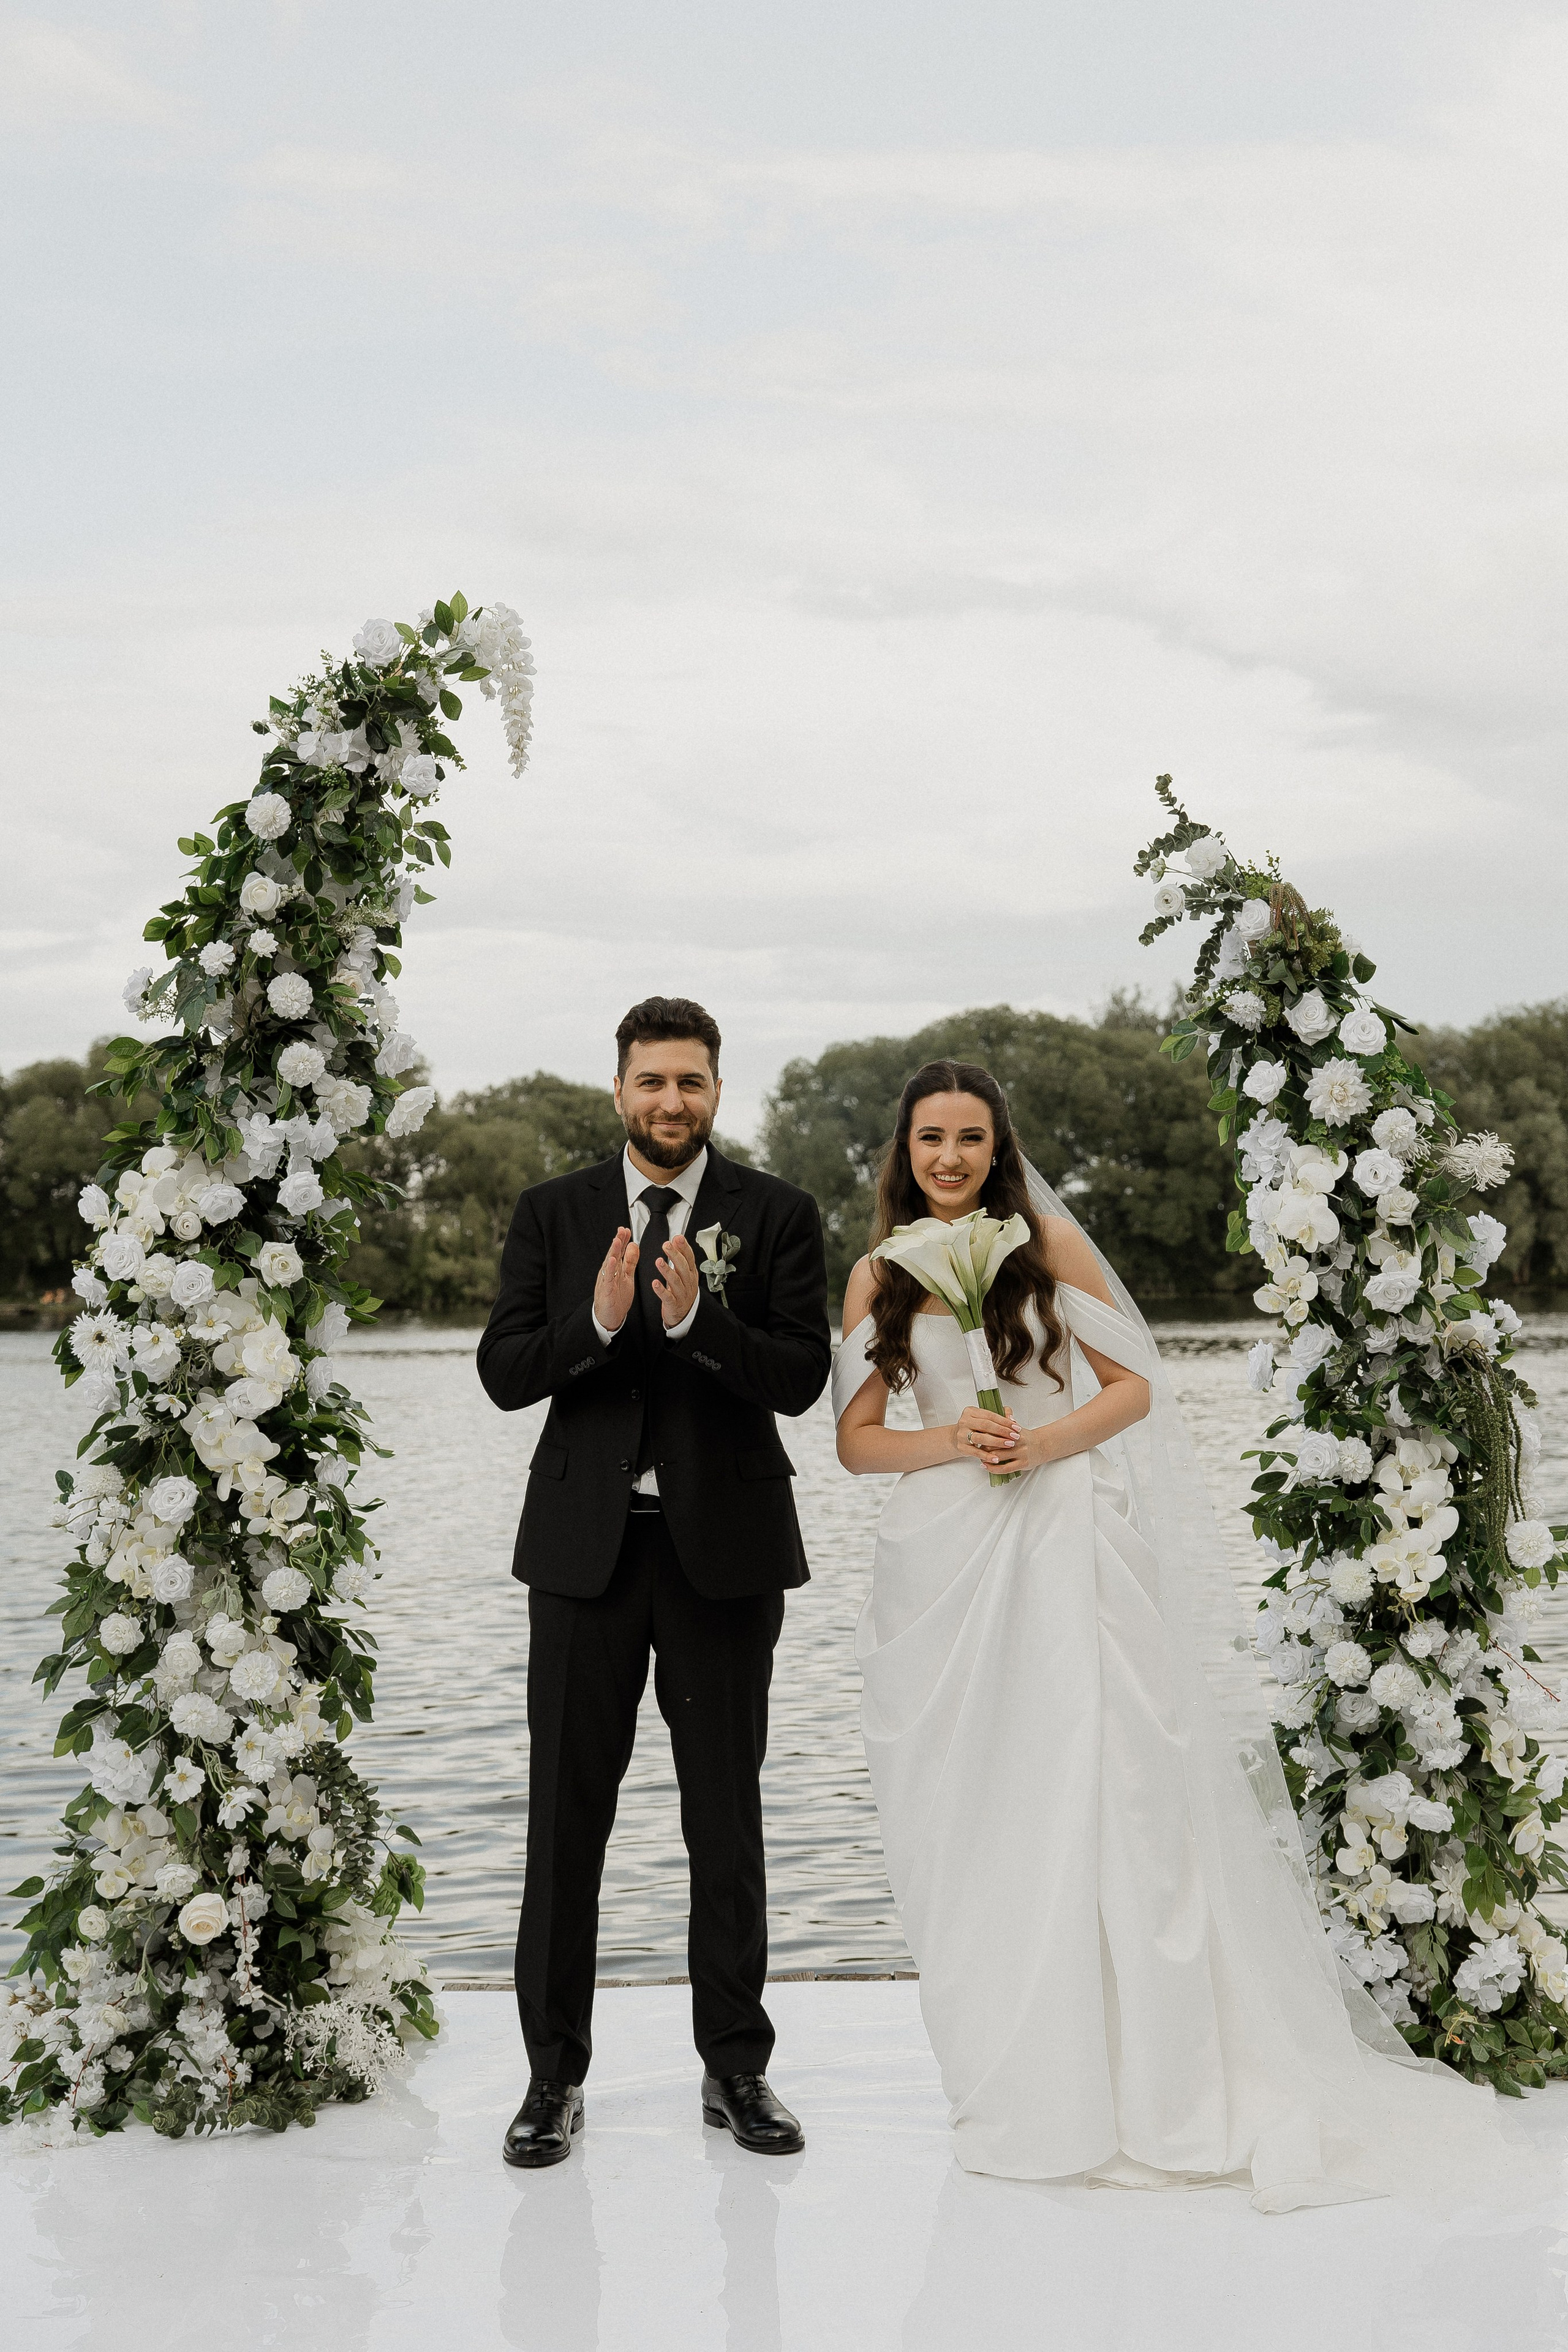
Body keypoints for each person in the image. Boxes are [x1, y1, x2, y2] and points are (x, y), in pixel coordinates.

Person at [832, 1058, 1529, 2212]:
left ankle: (1155, 2080)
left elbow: (1134, 1382)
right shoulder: (876, 1276)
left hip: (1068, 1541)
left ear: (998, 1147)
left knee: (1115, 1797)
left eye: (968, 1138)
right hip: (945, 1560)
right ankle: (1022, 2083)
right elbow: (859, 1440)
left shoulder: (1047, 1247)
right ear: (902, 1156)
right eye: (928, 1141)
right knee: (976, 1816)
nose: (948, 1159)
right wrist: (957, 1441)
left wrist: (1042, 1446)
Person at [478, 996, 831, 2169]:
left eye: (691, 1081)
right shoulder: (552, 1212)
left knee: (724, 1822)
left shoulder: (776, 1213)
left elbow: (797, 1380)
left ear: (718, 1089)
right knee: (563, 1825)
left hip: (724, 1562)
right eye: (650, 1082)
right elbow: (503, 1373)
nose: (670, 1101)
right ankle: (549, 2080)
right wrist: (600, 1317)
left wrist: (697, 1323)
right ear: (618, 1089)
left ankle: (736, 2068)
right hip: (584, 1562)